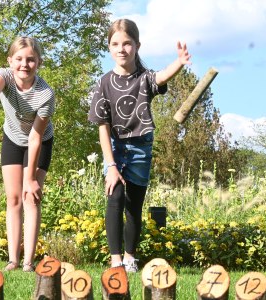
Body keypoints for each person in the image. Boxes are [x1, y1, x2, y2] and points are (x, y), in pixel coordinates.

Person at [88, 19, 192, 272]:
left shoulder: (145, 79)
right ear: (109, 48)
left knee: (133, 206)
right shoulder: (103, 83)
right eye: (115, 44)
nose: (121, 49)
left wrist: (179, 62)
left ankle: (130, 257)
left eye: (127, 43)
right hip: (114, 147)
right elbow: (102, 127)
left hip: (141, 147)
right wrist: (110, 164)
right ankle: (115, 262)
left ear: (137, 46)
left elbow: (162, 75)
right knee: (114, 198)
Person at [0, 36, 55, 272]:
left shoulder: (45, 95)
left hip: (39, 142)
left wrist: (31, 179)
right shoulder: (4, 75)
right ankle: (13, 260)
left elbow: (35, 138)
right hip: (13, 139)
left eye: (31, 60)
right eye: (19, 59)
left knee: (30, 197)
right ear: (10, 61)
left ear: (39, 62)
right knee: (13, 199)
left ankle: (28, 263)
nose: (24, 64)